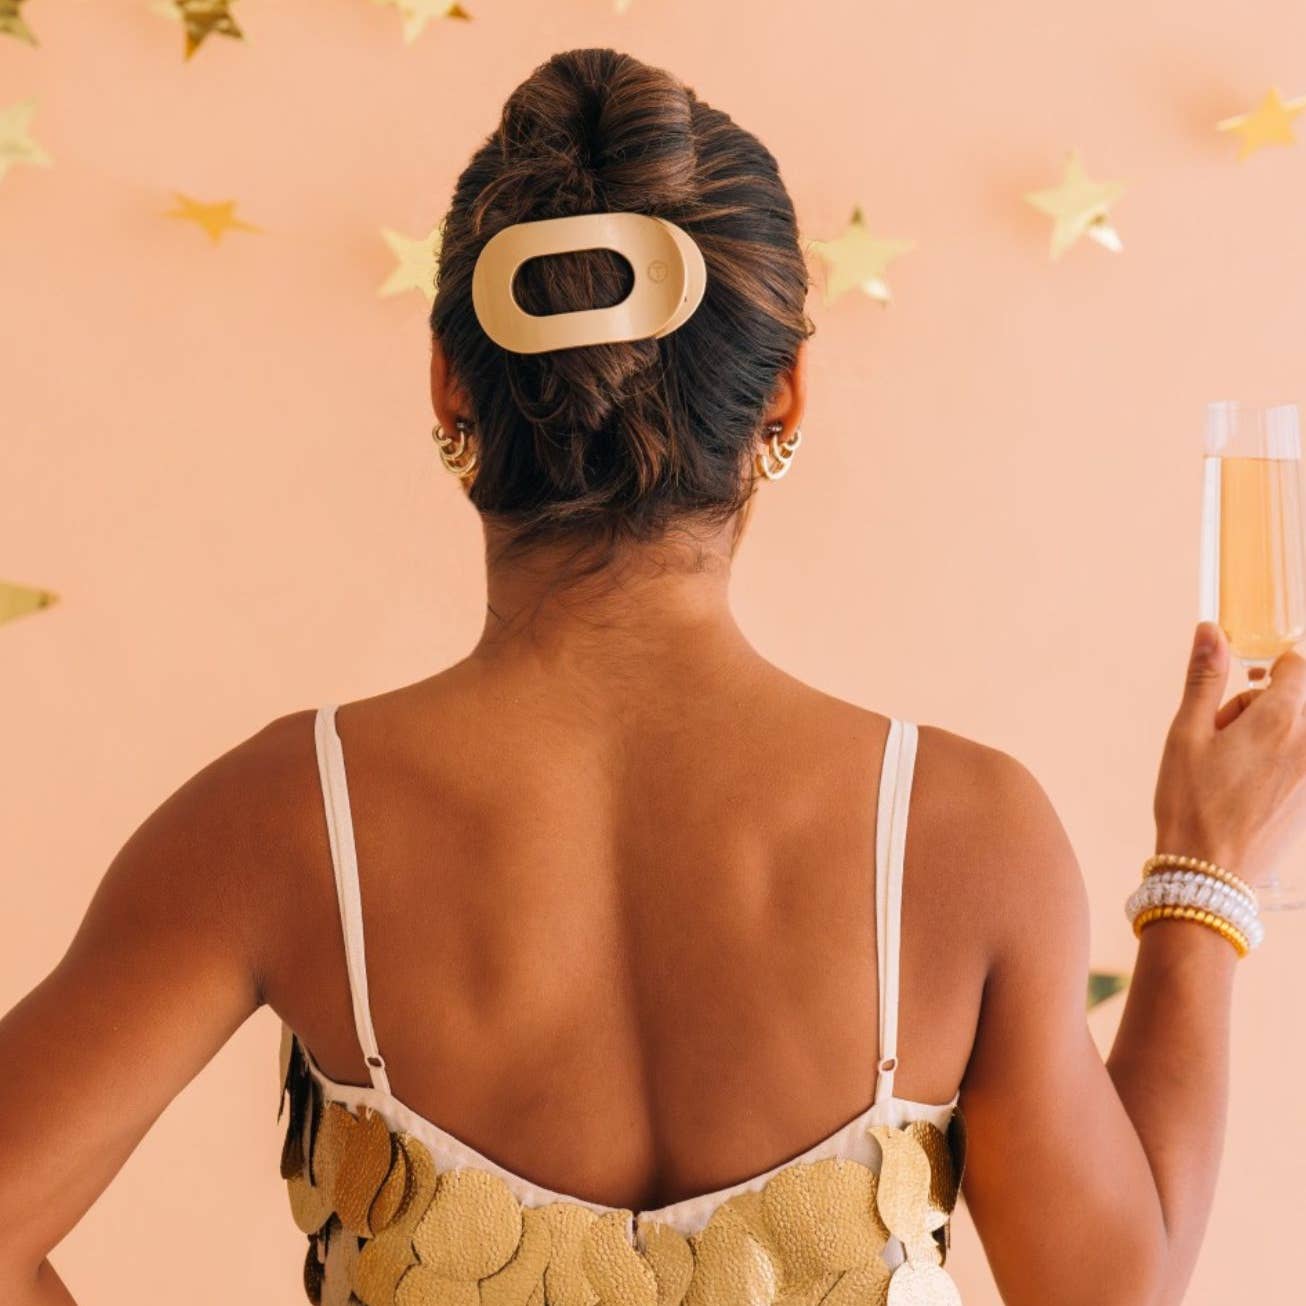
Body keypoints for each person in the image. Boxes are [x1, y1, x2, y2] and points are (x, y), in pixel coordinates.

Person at [0, 45, 1299, 1306]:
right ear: (785, 396)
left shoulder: (283, 818)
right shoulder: (964, 831)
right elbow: (1110, 1291)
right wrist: (1205, 871)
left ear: (449, 387)